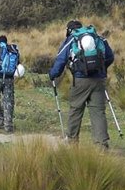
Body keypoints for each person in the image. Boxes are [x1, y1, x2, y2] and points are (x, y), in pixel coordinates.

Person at [49, 20, 115, 148]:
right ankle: (101, 145)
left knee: (76, 110)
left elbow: (61, 60)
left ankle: (72, 142)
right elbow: (110, 56)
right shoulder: (98, 38)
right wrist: (101, 69)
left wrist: (53, 74)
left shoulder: (71, 40)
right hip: (98, 80)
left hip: (80, 80)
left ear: (69, 30)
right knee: (98, 112)